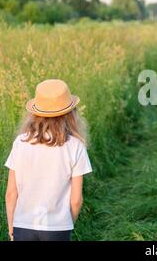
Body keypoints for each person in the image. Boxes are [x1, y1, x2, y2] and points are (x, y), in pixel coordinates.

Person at [5, 79, 92, 241]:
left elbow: (11, 194)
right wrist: (66, 224)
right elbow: (76, 200)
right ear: (70, 113)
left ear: (35, 113)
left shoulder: (20, 142)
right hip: (58, 229)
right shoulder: (76, 146)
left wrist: (12, 229)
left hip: (23, 226)